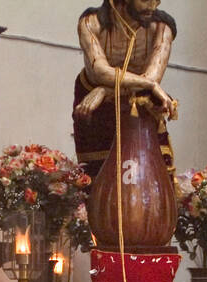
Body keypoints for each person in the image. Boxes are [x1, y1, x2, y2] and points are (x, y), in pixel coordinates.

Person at [73, 0, 177, 181]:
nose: (152, 7)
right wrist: (149, 85)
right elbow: (100, 71)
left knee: (150, 169)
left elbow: (152, 77)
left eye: (157, 0)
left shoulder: (162, 27)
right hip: (96, 110)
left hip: (136, 101)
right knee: (96, 175)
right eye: (145, 0)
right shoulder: (91, 23)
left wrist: (105, 91)